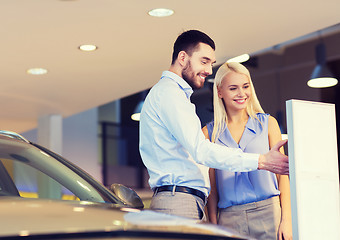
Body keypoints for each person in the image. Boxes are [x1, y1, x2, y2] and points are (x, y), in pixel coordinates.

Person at [139, 29, 289, 220]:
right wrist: (260, 161)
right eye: (204, 61)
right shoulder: (170, 94)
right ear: (183, 57)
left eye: (211, 64)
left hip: (184, 201)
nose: (209, 71)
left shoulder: (173, 95)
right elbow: (201, 151)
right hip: (178, 203)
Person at [203, 62, 292, 239]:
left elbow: (283, 176)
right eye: (233, 88)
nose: (241, 93)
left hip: (269, 213)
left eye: (245, 86)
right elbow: (211, 189)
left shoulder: (267, 124)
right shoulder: (209, 133)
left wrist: (287, 220)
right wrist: (213, 228)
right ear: (219, 91)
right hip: (229, 219)